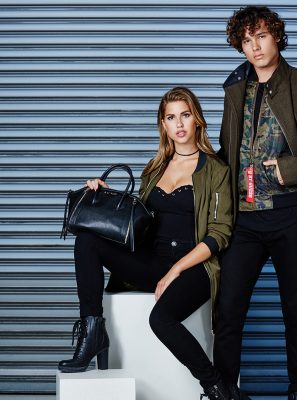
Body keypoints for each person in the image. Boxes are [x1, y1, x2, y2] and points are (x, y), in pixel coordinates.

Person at [58, 87, 235, 400]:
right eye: (171, 117)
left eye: (185, 115)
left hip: (194, 267)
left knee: (161, 319)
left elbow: (219, 233)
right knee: (87, 240)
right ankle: (93, 331)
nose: (179, 124)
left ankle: (216, 387)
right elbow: (138, 223)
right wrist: (104, 196)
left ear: (197, 119)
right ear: (163, 124)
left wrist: (175, 271)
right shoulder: (154, 169)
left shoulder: (215, 169)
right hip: (152, 260)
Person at [213, 6, 297, 400]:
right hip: (244, 218)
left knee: (295, 310)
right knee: (228, 310)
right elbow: (226, 151)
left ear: (276, 36)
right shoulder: (234, 88)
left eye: (261, 36)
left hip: (292, 214)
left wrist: (291, 169)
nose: (255, 47)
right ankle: (223, 389)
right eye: (246, 40)